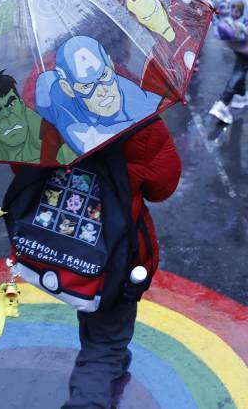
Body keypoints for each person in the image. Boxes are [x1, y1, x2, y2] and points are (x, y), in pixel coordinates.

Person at [62, 117, 181, 408]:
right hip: (115, 252)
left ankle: (108, 356)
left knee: (88, 301)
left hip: (63, 241)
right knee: (106, 339)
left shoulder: (40, 101)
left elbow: (22, 164)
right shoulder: (136, 112)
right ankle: (99, 371)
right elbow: (162, 185)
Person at [35, 36, 162, 155]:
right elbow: (90, 141)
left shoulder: (127, 90)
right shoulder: (67, 114)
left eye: (104, 76)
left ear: (111, 65)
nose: (102, 91)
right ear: (68, 89)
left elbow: (150, 105)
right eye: (87, 86)